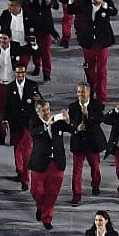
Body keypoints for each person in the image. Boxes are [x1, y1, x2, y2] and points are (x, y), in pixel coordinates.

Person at [27, 98, 72, 229]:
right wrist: (46, 124)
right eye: (43, 110)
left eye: (48, 109)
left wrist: (67, 119)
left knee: (52, 194)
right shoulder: (34, 121)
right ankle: (41, 207)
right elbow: (33, 132)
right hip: (39, 163)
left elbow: (71, 128)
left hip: (56, 163)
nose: (47, 112)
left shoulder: (57, 121)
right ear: (38, 112)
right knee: (37, 192)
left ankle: (47, 218)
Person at [68, 0, 117, 106]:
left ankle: (101, 99)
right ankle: (91, 92)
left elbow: (113, 12)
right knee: (89, 70)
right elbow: (71, 10)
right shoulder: (86, 4)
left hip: (102, 44)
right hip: (88, 42)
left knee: (101, 71)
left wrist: (103, 5)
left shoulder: (108, 4)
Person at [67, 81, 107, 205]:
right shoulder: (72, 107)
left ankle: (95, 185)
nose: (80, 95)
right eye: (78, 92)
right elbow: (71, 123)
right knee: (76, 171)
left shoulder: (97, 105)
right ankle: (76, 195)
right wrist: (76, 127)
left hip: (92, 142)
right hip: (78, 143)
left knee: (95, 167)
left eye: (83, 92)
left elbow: (100, 119)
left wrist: (88, 115)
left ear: (89, 93)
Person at [3, 62, 39, 192]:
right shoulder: (9, 87)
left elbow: (40, 101)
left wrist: (39, 100)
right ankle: (19, 170)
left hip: (29, 124)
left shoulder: (32, 86)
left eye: (23, 72)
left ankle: (25, 179)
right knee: (17, 148)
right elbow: (6, 105)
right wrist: (5, 121)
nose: (20, 75)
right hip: (15, 123)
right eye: (18, 72)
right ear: (14, 73)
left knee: (27, 151)